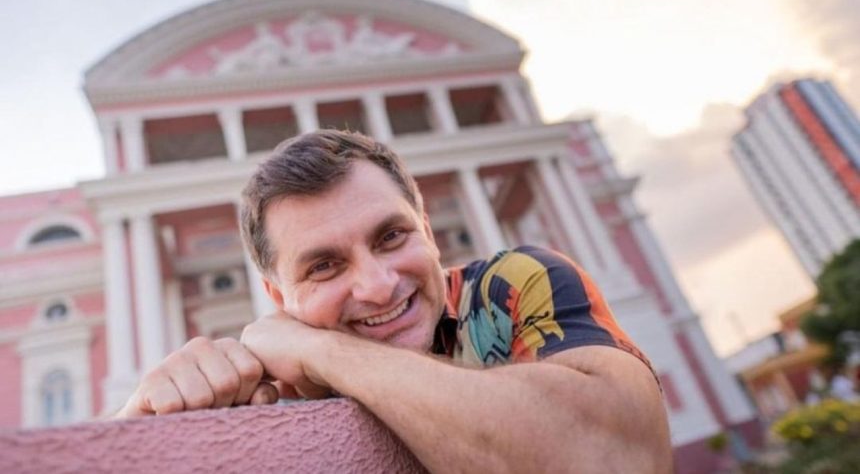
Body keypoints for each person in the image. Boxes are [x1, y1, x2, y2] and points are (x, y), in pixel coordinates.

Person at [116, 130, 672, 472]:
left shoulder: (509, 286)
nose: (379, 285)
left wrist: (322, 351)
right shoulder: (261, 389)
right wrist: (139, 423)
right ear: (277, 296)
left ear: (426, 229)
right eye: (324, 265)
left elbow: (616, 459)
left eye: (391, 237)